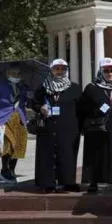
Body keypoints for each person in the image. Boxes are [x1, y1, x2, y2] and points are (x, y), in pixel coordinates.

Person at [79, 58, 112, 194]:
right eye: (106, 71)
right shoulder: (92, 88)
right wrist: (97, 111)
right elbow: (83, 107)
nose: (110, 73)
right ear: (100, 72)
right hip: (97, 127)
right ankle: (93, 182)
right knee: (97, 155)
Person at [31, 58, 82, 193]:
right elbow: (33, 103)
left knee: (67, 155)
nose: (59, 71)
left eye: (62, 69)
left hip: (68, 128)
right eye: (56, 69)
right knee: (47, 155)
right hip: (48, 127)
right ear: (51, 70)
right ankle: (47, 183)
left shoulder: (75, 88)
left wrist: (82, 127)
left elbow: (82, 108)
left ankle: (68, 182)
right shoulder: (43, 87)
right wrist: (40, 107)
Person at [0, 64, 29, 184]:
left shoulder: (23, 87)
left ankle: (12, 170)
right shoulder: (0, 86)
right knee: (7, 145)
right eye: (13, 74)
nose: (16, 76)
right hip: (4, 119)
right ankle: (4, 170)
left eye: (18, 74)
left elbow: (26, 103)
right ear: (7, 74)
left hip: (19, 119)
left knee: (18, 146)